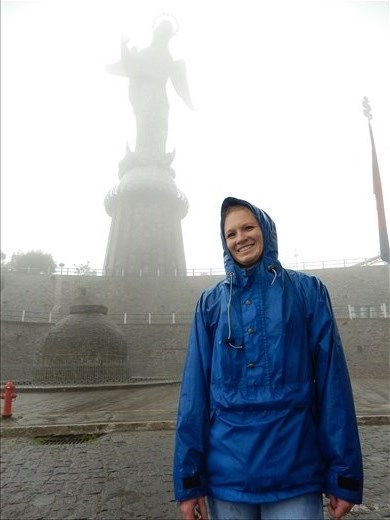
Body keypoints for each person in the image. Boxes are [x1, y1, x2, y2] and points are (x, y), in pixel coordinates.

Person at [173, 196, 363, 520]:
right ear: (224, 242)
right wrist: (189, 481)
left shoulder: (307, 293)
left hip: (295, 472)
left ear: (266, 230)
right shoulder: (210, 304)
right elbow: (194, 396)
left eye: (248, 227)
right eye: (231, 233)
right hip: (227, 476)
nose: (240, 238)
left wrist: (344, 475)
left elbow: (333, 385)